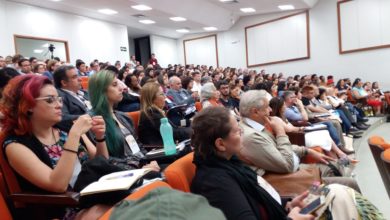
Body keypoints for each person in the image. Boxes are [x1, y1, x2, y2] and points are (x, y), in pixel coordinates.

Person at [0, 74, 109, 218]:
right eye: (50, 100)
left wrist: (100, 137)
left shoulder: (63, 129)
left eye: (59, 99)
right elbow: (58, 185)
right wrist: (74, 136)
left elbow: (101, 161)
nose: (59, 105)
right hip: (62, 210)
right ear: (27, 106)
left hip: (92, 196)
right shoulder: (15, 145)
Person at [88, 70, 160, 171]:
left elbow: (138, 146)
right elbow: (106, 161)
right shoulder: (94, 121)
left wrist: (150, 160)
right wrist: (139, 170)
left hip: (142, 166)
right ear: (101, 90)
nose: (121, 88)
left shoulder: (124, 117)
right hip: (124, 174)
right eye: (114, 85)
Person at [54, 65, 91, 132]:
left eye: (78, 76)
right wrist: (90, 116)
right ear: (64, 83)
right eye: (75, 77)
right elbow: (62, 118)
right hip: (84, 133)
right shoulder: (59, 96)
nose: (80, 79)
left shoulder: (84, 92)